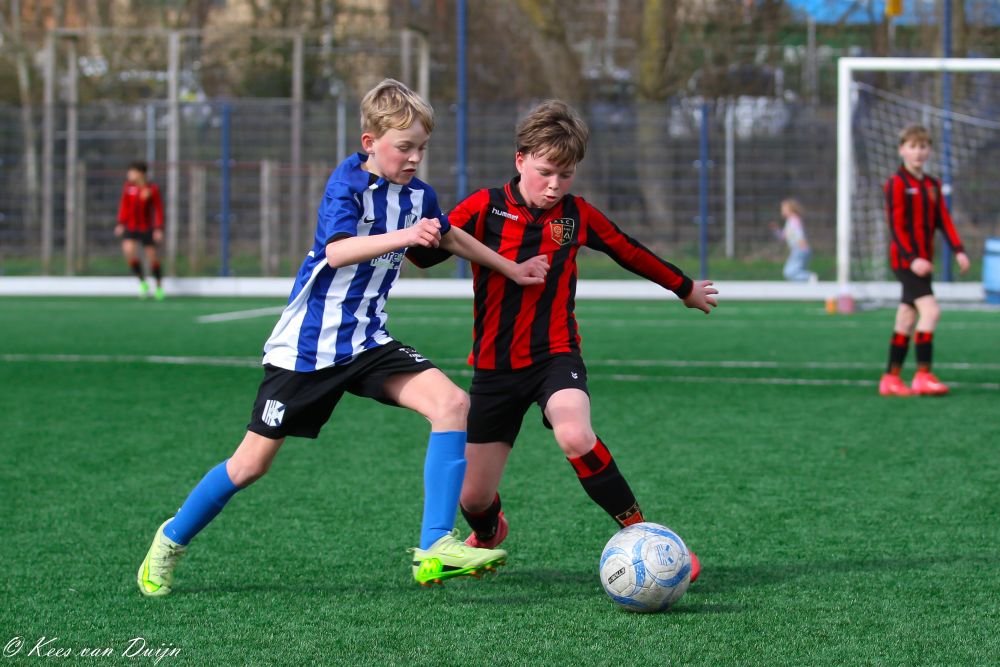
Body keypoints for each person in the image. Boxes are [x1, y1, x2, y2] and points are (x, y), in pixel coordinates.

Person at [136, 79, 550, 596]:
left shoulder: (419, 195)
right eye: (404, 147)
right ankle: (170, 539)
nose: (415, 158)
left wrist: (510, 268)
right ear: (369, 142)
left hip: (369, 342)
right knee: (250, 465)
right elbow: (337, 251)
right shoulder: (347, 184)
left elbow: (447, 234)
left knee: (451, 404)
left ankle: (435, 547)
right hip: (308, 349)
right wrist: (407, 235)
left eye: (422, 147)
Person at [407, 100, 717, 582]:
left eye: (566, 175)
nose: (554, 185)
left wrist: (684, 287)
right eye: (545, 172)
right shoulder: (485, 206)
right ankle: (488, 532)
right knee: (473, 497)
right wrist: (420, 235)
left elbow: (628, 250)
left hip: (554, 355)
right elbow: (426, 257)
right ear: (520, 160)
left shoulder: (576, 215)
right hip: (494, 368)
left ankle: (646, 536)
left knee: (574, 433)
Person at [878, 124, 969, 397]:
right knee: (931, 312)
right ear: (902, 150)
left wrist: (958, 250)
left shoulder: (932, 185)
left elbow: (943, 220)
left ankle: (890, 379)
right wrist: (911, 258)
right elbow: (896, 227)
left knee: (907, 318)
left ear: (929, 151)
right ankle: (923, 375)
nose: (918, 152)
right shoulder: (896, 184)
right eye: (912, 146)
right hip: (906, 262)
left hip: (923, 261)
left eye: (923, 147)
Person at [115, 161, 165, 300]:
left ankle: (159, 286)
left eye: (132, 172)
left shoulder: (152, 188)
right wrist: (121, 223)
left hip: (147, 228)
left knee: (152, 257)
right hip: (131, 227)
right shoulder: (128, 187)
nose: (129, 175)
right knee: (128, 252)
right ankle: (142, 281)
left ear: (141, 173)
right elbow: (124, 205)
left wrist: (158, 228)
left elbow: (158, 209)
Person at [770, 198, 816, 283]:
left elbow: (799, 232)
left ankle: (809, 277)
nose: (782, 210)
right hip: (799, 249)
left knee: (789, 272)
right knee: (796, 274)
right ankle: (807, 283)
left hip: (800, 249)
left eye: (784, 208)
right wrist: (776, 230)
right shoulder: (790, 221)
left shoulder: (794, 220)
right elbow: (783, 237)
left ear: (791, 209)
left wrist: (802, 243)